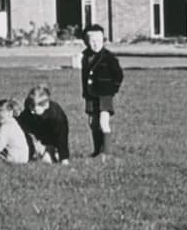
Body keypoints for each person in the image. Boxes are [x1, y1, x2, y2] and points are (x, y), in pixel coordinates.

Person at [80, 23, 124, 158]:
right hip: (90, 94)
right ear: (86, 42)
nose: (95, 44)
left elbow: (118, 75)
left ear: (103, 40)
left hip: (104, 95)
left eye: (99, 41)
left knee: (103, 122)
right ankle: (97, 150)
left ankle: (107, 152)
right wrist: (85, 92)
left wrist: (112, 89)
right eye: (92, 41)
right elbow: (84, 75)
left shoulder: (109, 57)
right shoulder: (85, 57)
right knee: (92, 123)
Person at [16, 84, 70, 164]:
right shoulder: (29, 107)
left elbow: (62, 138)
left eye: (34, 108)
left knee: (47, 161)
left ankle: (52, 151)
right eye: (30, 106)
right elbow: (22, 121)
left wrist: (64, 158)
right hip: (36, 131)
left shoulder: (56, 117)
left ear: (45, 106)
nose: (31, 110)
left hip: (51, 135)